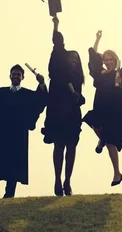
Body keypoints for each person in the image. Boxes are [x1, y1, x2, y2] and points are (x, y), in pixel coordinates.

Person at [0, 64, 48, 201]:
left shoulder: (28, 95)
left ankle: (9, 197)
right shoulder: (0, 93)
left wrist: (42, 83)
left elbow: (41, 100)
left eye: (18, 75)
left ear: (22, 77)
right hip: (0, 135)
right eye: (14, 74)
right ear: (10, 76)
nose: (16, 76)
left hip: (18, 136)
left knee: (13, 169)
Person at [41, 15, 86, 196]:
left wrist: (78, 97)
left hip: (73, 112)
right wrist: (56, 25)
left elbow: (81, 97)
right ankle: (57, 179)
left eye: (77, 58)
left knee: (72, 146)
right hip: (58, 111)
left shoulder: (78, 78)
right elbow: (58, 46)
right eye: (72, 57)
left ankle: (68, 180)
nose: (74, 60)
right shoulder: (59, 70)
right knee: (59, 145)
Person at [82, 30, 122, 187]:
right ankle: (102, 139)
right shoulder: (101, 74)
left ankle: (117, 173)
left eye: (110, 59)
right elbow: (93, 60)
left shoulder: (121, 73)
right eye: (105, 59)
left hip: (116, 109)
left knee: (111, 142)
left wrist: (119, 80)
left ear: (115, 60)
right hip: (101, 105)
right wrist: (97, 39)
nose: (108, 61)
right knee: (91, 119)